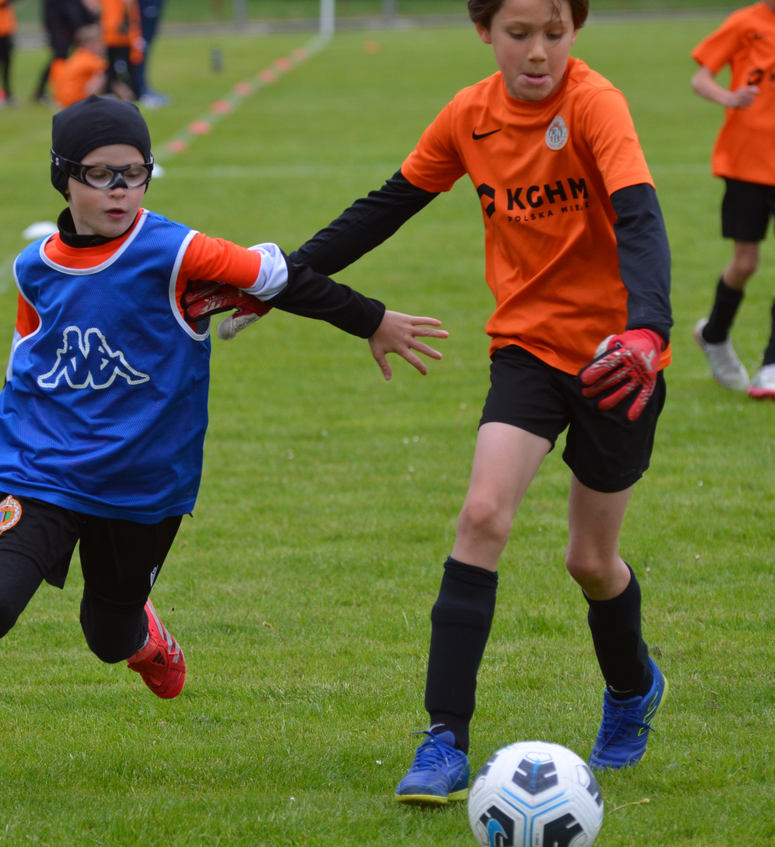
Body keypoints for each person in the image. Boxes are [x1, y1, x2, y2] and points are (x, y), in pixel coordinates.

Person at [0, 95, 447, 810]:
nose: (121, 189)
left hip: (143, 483)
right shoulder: (35, 266)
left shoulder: (179, 253)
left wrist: (371, 319)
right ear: (64, 177)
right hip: (43, 466)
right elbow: (33, 352)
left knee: (106, 634)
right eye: (101, 174)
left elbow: (281, 275)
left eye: (135, 173)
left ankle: (142, 635)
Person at [285, 0, 672, 805]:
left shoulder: (595, 103)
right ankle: (444, 739)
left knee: (589, 561)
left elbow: (639, 214)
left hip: (617, 360)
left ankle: (633, 687)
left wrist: (647, 329)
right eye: (518, 34)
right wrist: (279, 278)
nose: (538, 52)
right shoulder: (470, 115)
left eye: (555, 34)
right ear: (484, 32)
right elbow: (386, 205)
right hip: (527, 349)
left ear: (575, 31)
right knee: (482, 515)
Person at [689, 0, 775, 399]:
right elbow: (700, 79)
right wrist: (729, 97)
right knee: (745, 264)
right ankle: (714, 335)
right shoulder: (745, 23)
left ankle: (771, 365)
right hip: (746, 165)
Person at [34, 0, 95, 104]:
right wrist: (80, 26)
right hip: (62, 30)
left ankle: (56, 90)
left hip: (66, 28)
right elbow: (68, 10)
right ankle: (56, 91)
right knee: (59, 59)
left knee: (68, 59)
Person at [50, 25, 111, 108]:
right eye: (100, 42)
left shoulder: (77, 55)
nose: (104, 45)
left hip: (63, 100)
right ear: (89, 44)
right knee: (102, 75)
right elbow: (108, 71)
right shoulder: (89, 59)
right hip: (76, 101)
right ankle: (94, 103)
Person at [100, 0, 142, 101]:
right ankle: (132, 94)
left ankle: (113, 93)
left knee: (110, 68)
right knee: (124, 69)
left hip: (107, 30)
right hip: (120, 32)